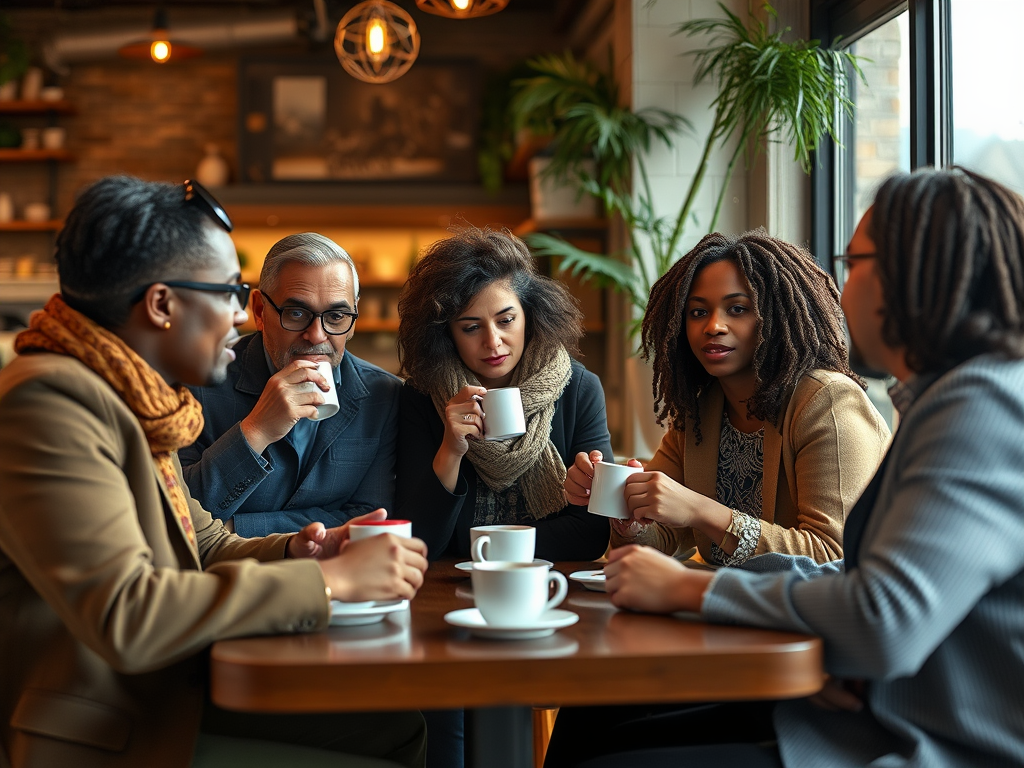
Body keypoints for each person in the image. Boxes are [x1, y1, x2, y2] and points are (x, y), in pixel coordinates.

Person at [574, 166, 1024, 767]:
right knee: (590, 720)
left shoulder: (980, 410)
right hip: (864, 704)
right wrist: (631, 516)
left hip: (918, 739)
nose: (840, 285)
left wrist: (691, 586)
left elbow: (880, 613)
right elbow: (866, 588)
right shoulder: (947, 402)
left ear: (916, 275)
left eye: (854, 261)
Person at [0, 176, 429, 768]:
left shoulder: (134, 400)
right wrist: (333, 584)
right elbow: (129, 614)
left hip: (162, 687)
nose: (239, 314)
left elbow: (201, 539)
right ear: (162, 305)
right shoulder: (50, 402)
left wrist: (304, 553)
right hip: (104, 724)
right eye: (229, 291)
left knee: (394, 727)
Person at [564, 230, 890, 567]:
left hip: (809, 615)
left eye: (737, 309)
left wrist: (700, 510)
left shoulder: (827, 402)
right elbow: (656, 542)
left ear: (776, 317)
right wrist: (628, 513)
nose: (714, 326)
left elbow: (833, 556)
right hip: (726, 608)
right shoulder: (700, 412)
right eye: (698, 312)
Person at [395, 226, 612, 562]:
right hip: (449, 591)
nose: (493, 342)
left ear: (530, 315)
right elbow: (419, 542)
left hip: (550, 585)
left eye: (506, 320)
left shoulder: (579, 389)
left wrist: (478, 546)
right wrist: (450, 450)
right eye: (471, 327)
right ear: (445, 334)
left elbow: (592, 533)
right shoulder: (422, 398)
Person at [179, 232, 402, 537]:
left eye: (336, 316)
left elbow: (370, 518)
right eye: (296, 313)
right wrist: (255, 431)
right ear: (259, 310)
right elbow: (176, 514)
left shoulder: (384, 395)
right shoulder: (196, 383)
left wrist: (237, 527)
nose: (317, 335)